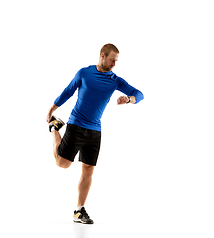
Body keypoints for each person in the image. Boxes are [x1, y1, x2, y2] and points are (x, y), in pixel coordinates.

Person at [46, 43, 144, 224]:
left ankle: (79, 210)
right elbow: (68, 91)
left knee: (88, 170)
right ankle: (54, 128)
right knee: (62, 163)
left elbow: (139, 94)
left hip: (95, 131)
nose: (115, 64)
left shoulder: (115, 80)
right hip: (76, 125)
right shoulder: (84, 73)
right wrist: (52, 108)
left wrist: (129, 99)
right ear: (102, 56)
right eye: (112, 60)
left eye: (116, 61)